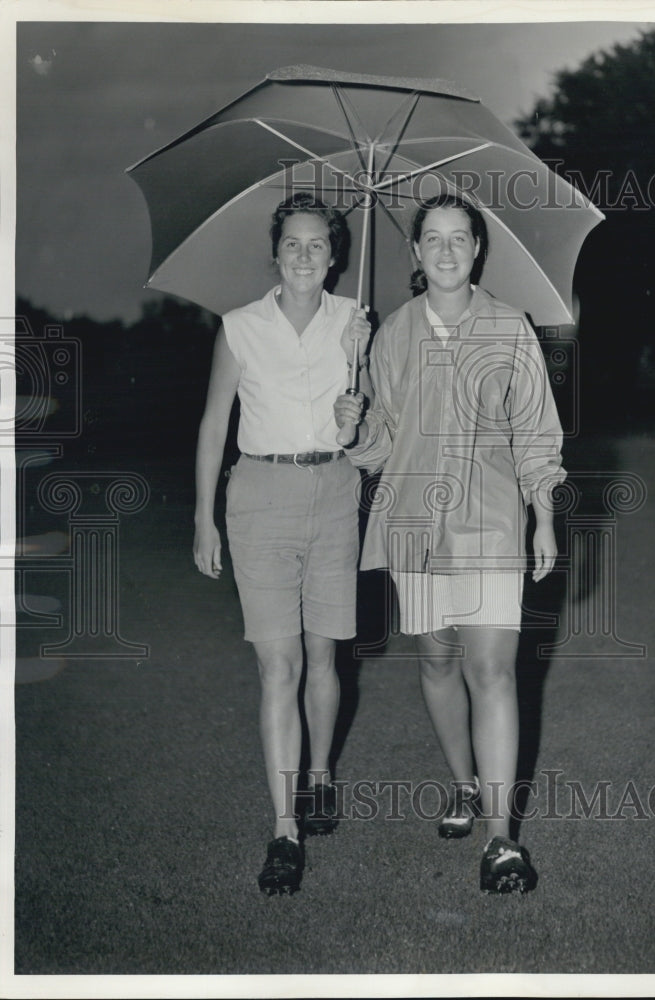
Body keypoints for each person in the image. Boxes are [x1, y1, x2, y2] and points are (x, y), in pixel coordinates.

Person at [335, 193, 565, 894]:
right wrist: (351, 422)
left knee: (492, 668)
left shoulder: (509, 327)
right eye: (431, 238)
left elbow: (536, 430)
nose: (444, 250)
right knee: (436, 658)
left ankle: (501, 841)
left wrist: (544, 513)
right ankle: (464, 786)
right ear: (414, 252)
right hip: (414, 524)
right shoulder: (390, 334)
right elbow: (379, 450)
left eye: (458, 238)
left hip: (493, 522)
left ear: (476, 249)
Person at [194, 192, 371, 896]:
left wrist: (358, 411)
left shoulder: (357, 324)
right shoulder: (239, 328)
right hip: (259, 498)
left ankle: (320, 773)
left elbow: (369, 431)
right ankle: (283, 829)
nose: (304, 255)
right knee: (279, 665)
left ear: (335, 256)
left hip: (334, 493)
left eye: (318, 244)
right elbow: (214, 426)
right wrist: (202, 520)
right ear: (276, 253)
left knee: (325, 654)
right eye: (292, 243)